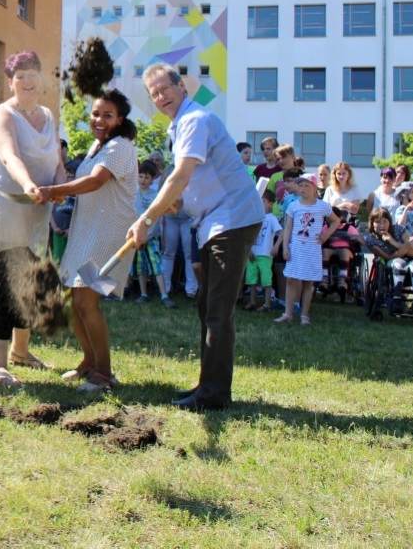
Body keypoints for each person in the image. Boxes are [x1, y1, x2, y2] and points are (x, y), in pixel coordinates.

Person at [130, 62, 263, 411]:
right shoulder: (181, 126)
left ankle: (214, 394)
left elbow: (179, 177)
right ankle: (208, 384)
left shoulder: (194, 121)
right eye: (154, 94)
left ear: (182, 86)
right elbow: (187, 183)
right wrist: (176, 204)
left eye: (164, 89)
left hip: (232, 220)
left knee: (218, 309)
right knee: (207, 305)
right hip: (216, 222)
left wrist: (147, 217)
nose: (161, 97)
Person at [0, 51, 64, 389]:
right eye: (19, 75)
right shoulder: (2, 115)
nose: (27, 81)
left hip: (37, 210)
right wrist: (28, 184)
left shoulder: (49, 116)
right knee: (11, 284)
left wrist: (61, 180)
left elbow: (56, 158)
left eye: (32, 73)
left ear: (41, 78)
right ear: (10, 82)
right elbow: (9, 155)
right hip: (5, 206)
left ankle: (21, 352)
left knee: (34, 279)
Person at [37, 89, 139, 393]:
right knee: (70, 297)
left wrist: (56, 190)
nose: (99, 120)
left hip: (110, 235)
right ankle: (89, 362)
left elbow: (95, 181)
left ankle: (104, 374)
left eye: (107, 115)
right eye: (96, 113)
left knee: (86, 299)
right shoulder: (98, 145)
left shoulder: (120, 146)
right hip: (86, 232)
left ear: (119, 119)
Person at [276, 176, 340, 326]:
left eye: (306, 186)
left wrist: (325, 235)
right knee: (291, 279)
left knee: (308, 282)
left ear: (315, 187)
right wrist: (285, 247)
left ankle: (304, 315)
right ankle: (288, 313)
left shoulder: (322, 206)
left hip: (312, 248)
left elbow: (336, 220)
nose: (303, 189)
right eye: (301, 186)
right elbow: (288, 228)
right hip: (296, 247)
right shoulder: (294, 206)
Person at [364, 207, 413, 316]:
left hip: (411, 259)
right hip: (391, 262)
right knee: (399, 263)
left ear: (390, 221)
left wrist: (393, 242)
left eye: (385, 221)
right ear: (372, 223)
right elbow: (387, 257)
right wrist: (405, 248)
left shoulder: (399, 229)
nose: (382, 225)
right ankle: (397, 299)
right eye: (378, 222)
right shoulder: (370, 239)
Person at [130, 159, 174, 308]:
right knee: (141, 266)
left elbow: (156, 219)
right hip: (137, 239)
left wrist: (147, 236)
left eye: (147, 177)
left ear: (152, 179)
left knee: (157, 266)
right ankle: (143, 294)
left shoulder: (156, 195)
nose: (143, 180)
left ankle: (164, 295)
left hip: (151, 237)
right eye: (141, 176)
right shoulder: (133, 193)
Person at [242, 189, 282, 312]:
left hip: (265, 254)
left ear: (270, 204)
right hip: (252, 254)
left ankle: (267, 304)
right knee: (251, 278)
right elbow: (247, 235)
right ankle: (252, 301)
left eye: (263, 201)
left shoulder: (271, 218)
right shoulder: (252, 218)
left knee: (266, 279)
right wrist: (248, 249)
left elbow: (281, 232)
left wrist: (276, 246)